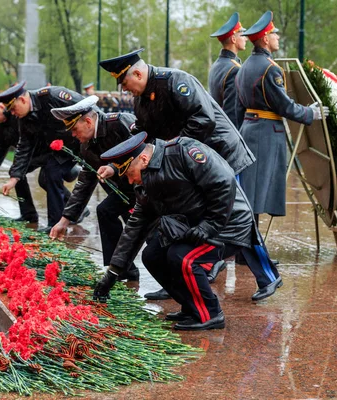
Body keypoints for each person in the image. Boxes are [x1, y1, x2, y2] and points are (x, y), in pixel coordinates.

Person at [99, 48, 255, 296]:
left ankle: (266, 275)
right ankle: (190, 274)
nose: (125, 91)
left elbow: (204, 120)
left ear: (138, 73)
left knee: (234, 216)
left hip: (216, 153)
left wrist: (172, 154)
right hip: (186, 163)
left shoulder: (176, 81)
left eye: (126, 84)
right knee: (191, 217)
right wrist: (123, 161)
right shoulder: (141, 100)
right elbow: (143, 134)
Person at [92, 133, 283, 331]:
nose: (130, 181)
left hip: (228, 223)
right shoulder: (147, 180)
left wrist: (210, 225)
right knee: (152, 256)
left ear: (144, 158)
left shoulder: (183, 151)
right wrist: (112, 273)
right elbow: (135, 227)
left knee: (183, 258)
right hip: (195, 226)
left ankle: (210, 313)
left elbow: (224, 182)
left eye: (130, 174)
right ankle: (192, 307)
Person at [235, 11, 329, 218]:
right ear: (265, 39)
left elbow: (239, 106)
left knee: (251, 191)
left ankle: (250, 241)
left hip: (249, 130)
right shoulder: (270, 69)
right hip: (266, 135)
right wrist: (310, 113)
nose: (278, 37)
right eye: (274, 34)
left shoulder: (244, 67)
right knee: (256, 195)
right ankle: (250, 244)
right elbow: (284, 106)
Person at [49, 95, 139, 281]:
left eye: (74, 129)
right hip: (123, 190)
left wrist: (114, 168)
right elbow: (85, 182)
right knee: (105, 210)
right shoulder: (86, 146)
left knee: (152, 234)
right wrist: (64, 221)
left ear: (88, 121)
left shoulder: (120, 123)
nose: (73, 135)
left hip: (145, 185)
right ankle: (120, 269)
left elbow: (143, 150)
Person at [0, 81, 89, 233]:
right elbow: (24, 146)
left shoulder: (52, 96)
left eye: (13, 108)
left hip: (77, 142)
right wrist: (14, 177)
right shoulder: (24, 118)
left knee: (52, 172)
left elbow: (87, 105)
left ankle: (55, 223)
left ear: (23, 100)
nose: (12, 113)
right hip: (56, 148)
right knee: (43, 178)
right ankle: (76, 210)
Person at [0, 97, 40, 223]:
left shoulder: (19, 115)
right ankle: (28, 215)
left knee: (49, 178)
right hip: (27, 155)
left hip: (42, 150)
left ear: (1, 107)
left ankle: (72, 209)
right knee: (16, 173)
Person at [208, 12, 247, 127]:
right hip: (229, 131)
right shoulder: (234, 69)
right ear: (234, 39)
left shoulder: (216, 65)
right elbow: (233, 112)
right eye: (242, 35)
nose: (246, 39)